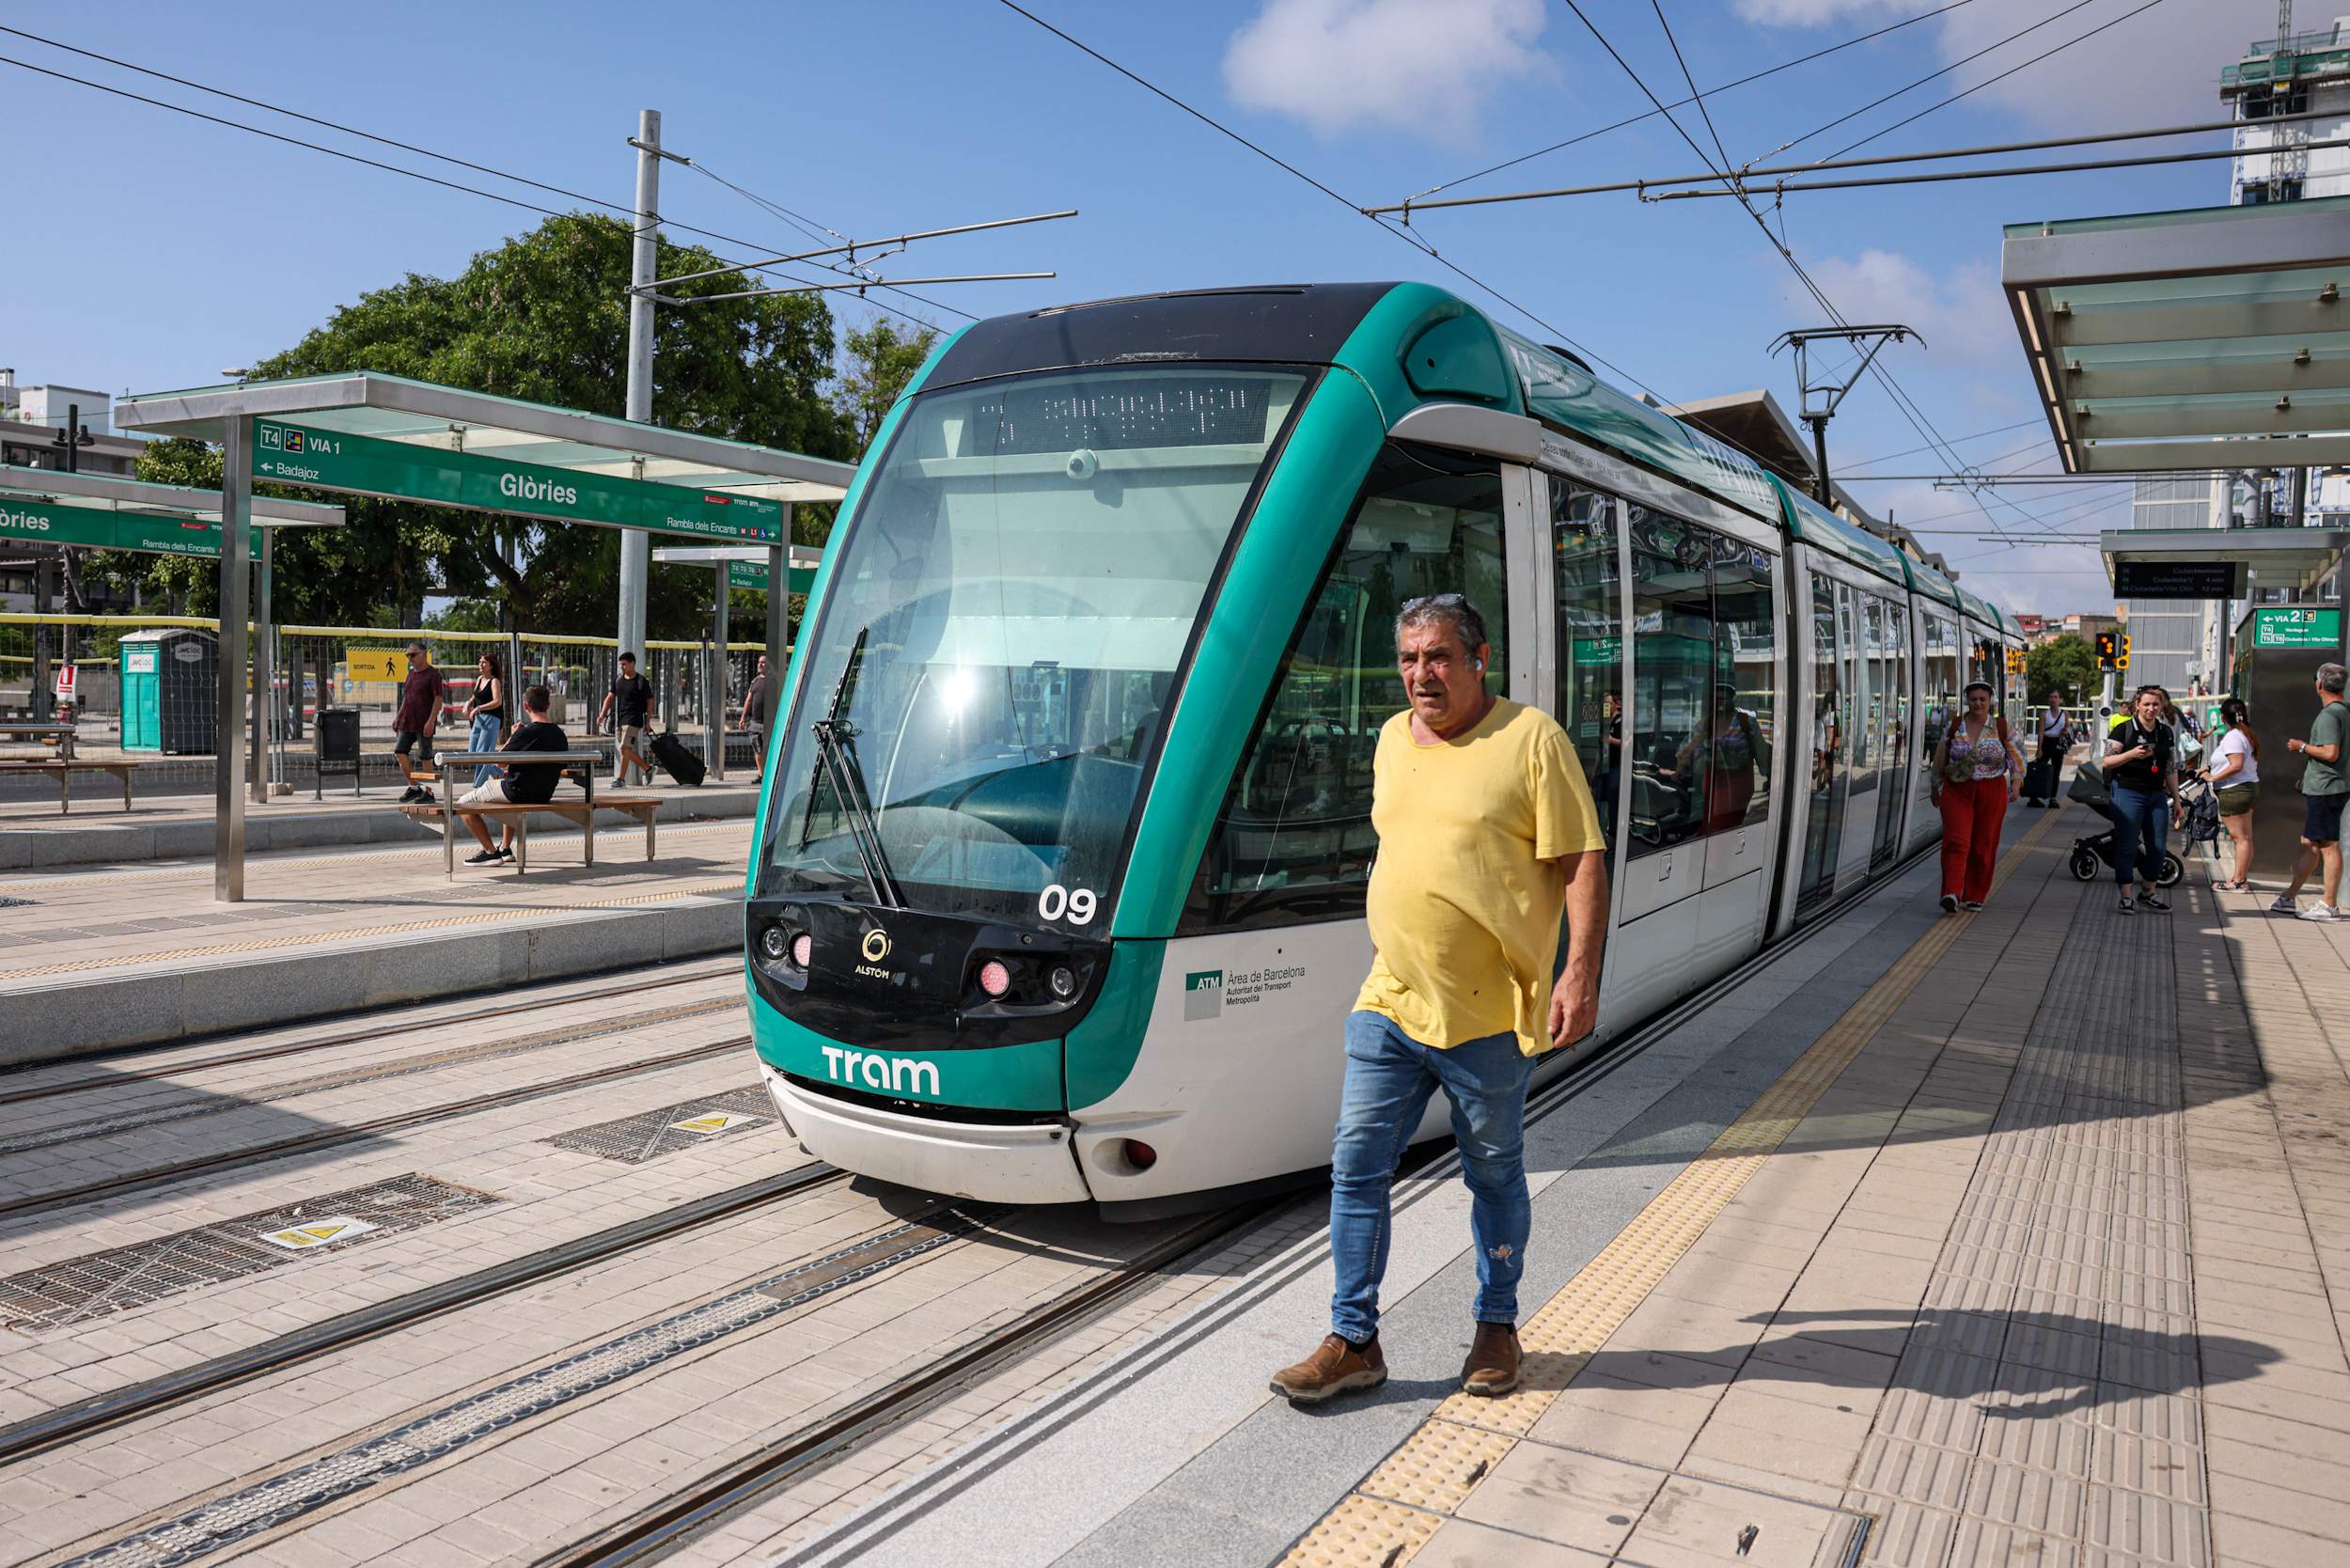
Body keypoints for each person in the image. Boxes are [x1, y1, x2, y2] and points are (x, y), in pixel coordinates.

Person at [1269, 593, 1609, 1406]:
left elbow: (1582, 863)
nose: (1421, 674)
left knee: (1492, 1174)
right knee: (1355, 1166)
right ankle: (1353, 1340)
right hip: (1389, 998)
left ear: (1478, 659)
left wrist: (1580, 972)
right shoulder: (1391, 738)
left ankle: (1497, 1325)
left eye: (1439, 657)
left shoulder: (1533, 740)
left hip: (1487, 1013)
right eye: (1410, 657)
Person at [1929, 680, 2020, 915]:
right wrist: (1935, 786)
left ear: (1990, 701)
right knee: (1957, 842)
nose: (1978, 703)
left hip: (1991, 791)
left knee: (1984, 844)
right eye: (1973, 699)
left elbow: (2017, 758)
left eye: (1982, 699)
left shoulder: (2000, 727)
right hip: (1957, 790)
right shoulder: (1955, 725)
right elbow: (1942, 757)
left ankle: (1975, 894)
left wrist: (2017, 782)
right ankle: (1951, 892)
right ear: (1966, 701)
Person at [451, 685, 570, 865]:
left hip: (517, 791)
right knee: (509, 790)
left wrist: (513, 736)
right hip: (544, 793)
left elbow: (500, 762)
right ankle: (505, 848)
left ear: (526, 706)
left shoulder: (525, 733)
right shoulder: (560, 735)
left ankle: (490, 852)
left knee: (462, 804)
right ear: (548, 705)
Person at [2270, 663, 2350, 921]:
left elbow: (2330, 752)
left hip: (2326, 788)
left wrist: (2302, 746)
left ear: (2319, 684)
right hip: (2328, 785)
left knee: (2326, 845)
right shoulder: (2344, 711)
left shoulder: (2329, 715)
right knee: (2310, 843)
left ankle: (2328, 905)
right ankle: (2288, 897)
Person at [2107, 684, 2185, 917]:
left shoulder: (2165, 732)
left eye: (2156, 704)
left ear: (2161, 707)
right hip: (2127, 792)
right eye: (2147, 704)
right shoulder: (2123, 729)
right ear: (2137, 705)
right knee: (2128, 845)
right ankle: (2126, 897)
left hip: (2156, 794)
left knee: (2159, 847)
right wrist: (2131, 754)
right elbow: (2107, 762)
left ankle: (2148, 893)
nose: (2151, 708)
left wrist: (2177, 800)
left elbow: (2170, 767)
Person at [2204, 697, 2260, 892]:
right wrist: (2210, 769)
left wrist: (2213, 777)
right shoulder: (2245, 734)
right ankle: (2241, 879)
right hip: (2246, 787)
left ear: (2222, 716)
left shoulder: (2233, 736)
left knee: (2240, 838)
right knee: (2246, 838)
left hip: (2234, 790)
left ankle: (2236, 881)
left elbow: (2236, 765)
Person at [392, 641, 448, 804]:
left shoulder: (433, 675)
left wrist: (431, 721)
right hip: (407, 721)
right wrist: (398, 716)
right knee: (399, 752)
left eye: (413, 654)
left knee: (425, 757)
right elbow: (407, 698)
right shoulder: (410, 674)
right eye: (408, 655)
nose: (410, 658)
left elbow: (438, 700)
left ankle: (429, 793)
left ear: (424, 654)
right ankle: (414, 787)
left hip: (424, 722)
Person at [598, 651, 655, 787]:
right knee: (626, 750)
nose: (622, 667)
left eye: (624, 664)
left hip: (634, 720)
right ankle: (648, 769)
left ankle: (621, 780)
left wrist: (648, 722)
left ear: (632, 663)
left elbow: (650, 702)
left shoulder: (641, 682)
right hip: (621, 720)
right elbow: (610, 697)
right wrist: (602, 714)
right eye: (621, 665)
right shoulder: (618, 680)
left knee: (624, 748)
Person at [464, 651, 506, 788]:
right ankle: (497, 772)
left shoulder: (494, 681)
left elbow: (497, 701)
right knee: (472, 754)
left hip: (491, 719)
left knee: (483, 754)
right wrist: (468, 704)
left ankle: (477, 786)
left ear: (491, 665)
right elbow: (476, 696)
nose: (481, 665)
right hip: (479, 720)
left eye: (484, 662)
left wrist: (478, 708)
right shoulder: (480, 679)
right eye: (480, 662)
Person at [2030, 692, 2069, 808]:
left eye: (2056, 697)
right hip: (2046, 742)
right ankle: (2034, 798)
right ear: (2048, 700)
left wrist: (2065, 732)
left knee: (2056, 772)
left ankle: (2053, 798)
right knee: (2040, 770)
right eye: (2051, 697)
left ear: (2060, 700)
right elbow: (2041, 732)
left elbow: (2067, 728)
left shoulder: (2065, 713)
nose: (2053, 699)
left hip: (2058, 743)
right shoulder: (2044, 714)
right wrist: (2039, 749)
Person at [736, 654, 770, 779]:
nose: (760, 664)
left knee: (768, 750)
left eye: (763, 663)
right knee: (758, 750)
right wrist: (743, 717)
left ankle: (769, 775)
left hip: (768, 723)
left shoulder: (773, 681)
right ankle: (761, 775)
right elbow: (749, 700)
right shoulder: (755, 682)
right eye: (759, 662)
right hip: (755, 722)